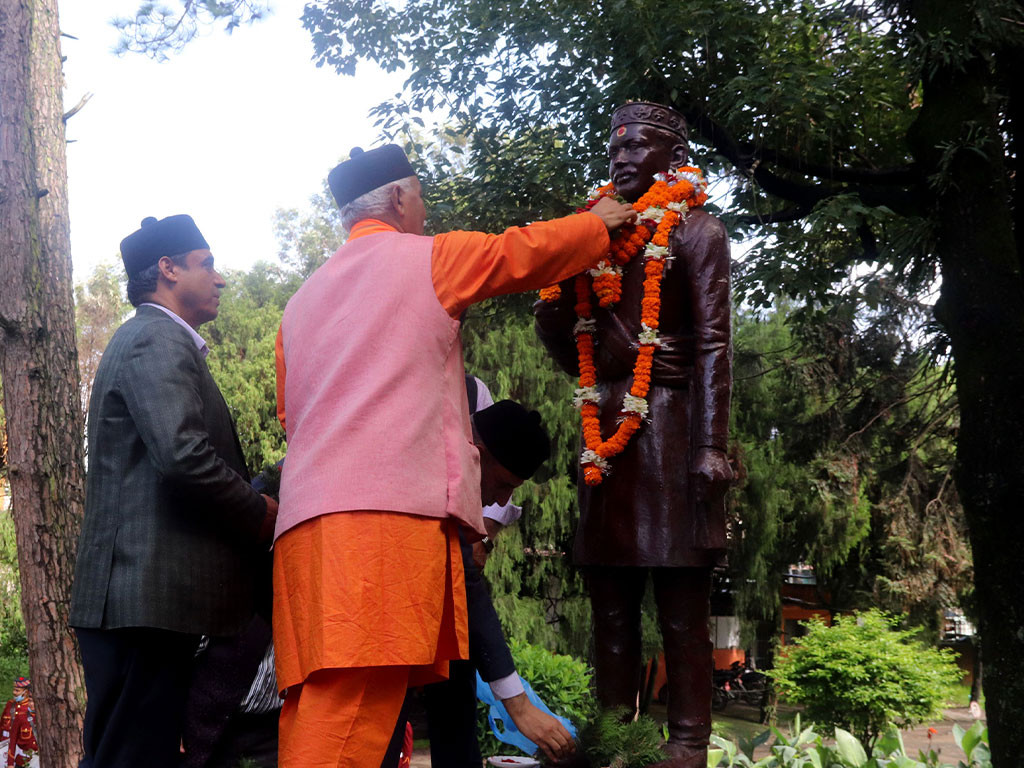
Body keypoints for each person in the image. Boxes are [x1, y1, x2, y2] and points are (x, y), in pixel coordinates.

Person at [272, 143, 637, 767]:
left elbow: (291, 415)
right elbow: (516, 252)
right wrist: (596, 224)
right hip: (380, 529)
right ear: (397, 198)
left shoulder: (299, 304)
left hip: (304, 532)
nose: (425, 211)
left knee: (321, 706)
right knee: (350, 720)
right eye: (421, 196)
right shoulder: (428, 258)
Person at [534, 101, 733, 768]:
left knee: (682, 607)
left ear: (672, 157)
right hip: (608, 439)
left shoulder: (697, 231)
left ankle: (687, 742)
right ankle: (615, 733)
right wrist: (570, 322)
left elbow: (712, 347)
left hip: (673, 432)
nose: (622, 157)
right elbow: (567, 339)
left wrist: (711, 445)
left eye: (638, 146)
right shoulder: (590, 235)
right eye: (615, 147)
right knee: (611, 607)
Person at [68, 215, 279, 768]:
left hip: (146, 604)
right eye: (206, 264)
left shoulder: (152, 337)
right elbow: (184, 457)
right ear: (167, 270)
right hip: (139, 603)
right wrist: (257, 512)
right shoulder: (155, 337)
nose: (221, 278)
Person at [382, 395, 575, 767]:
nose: (498, 500)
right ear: (475, 451)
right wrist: (518, 707)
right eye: (502, 484)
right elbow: (466, 580)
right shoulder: (419, 464)